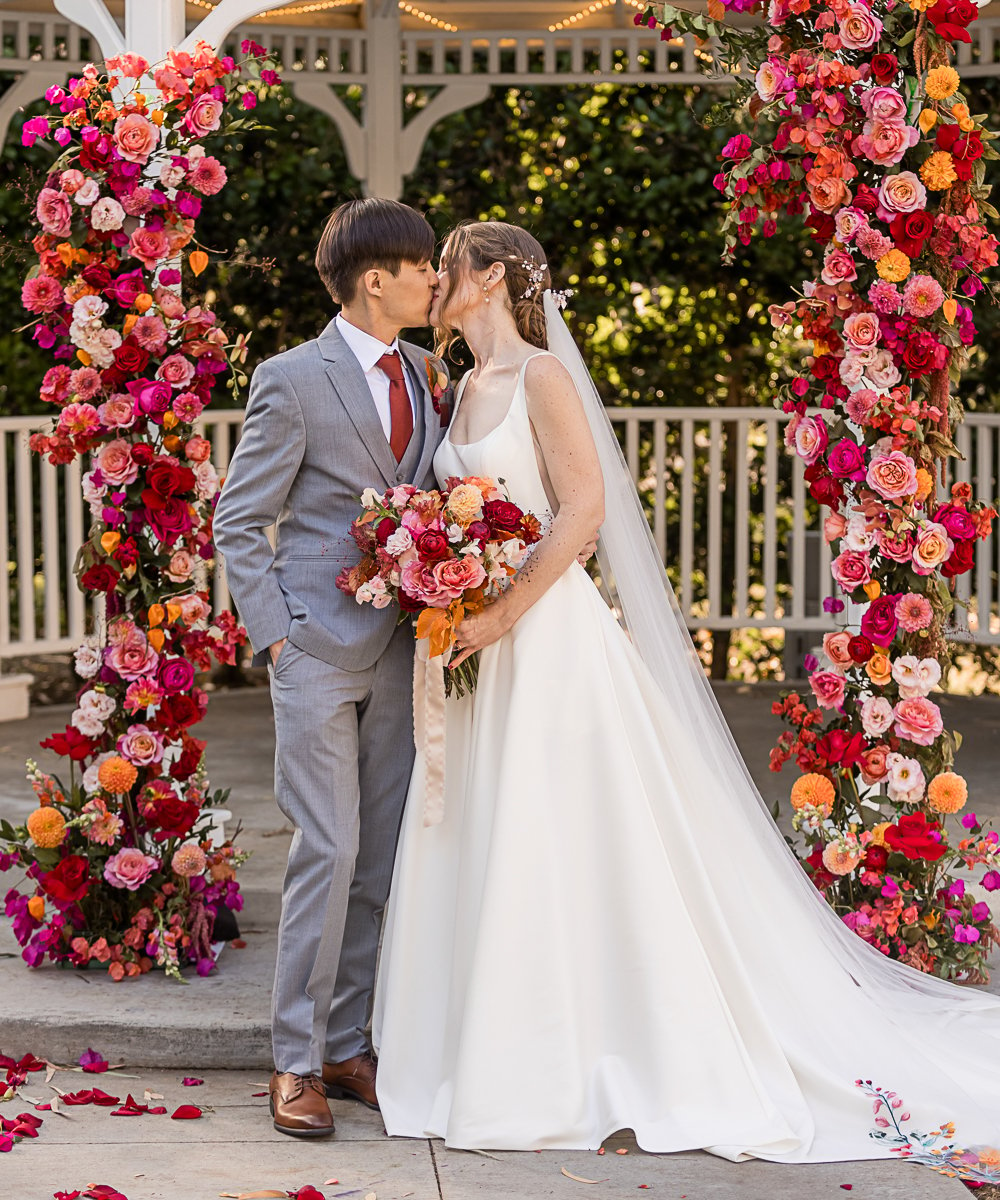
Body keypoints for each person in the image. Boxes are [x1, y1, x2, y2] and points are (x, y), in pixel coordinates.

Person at [371, 219, 1000, 1161]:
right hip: (474, 647)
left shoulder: (542, 378)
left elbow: (582, 511)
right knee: (484, 826)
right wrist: (443, 581)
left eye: (448, 264)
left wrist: (500, 612)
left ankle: (588, 1052)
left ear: (493, 276)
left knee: (561, 831)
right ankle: (482, 1042)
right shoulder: (456, 388)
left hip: (543, 642)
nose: (434, 282)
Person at [213, 198, 448, 1138]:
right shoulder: (290, 378)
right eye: (424, 264)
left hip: (401, 651)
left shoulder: (431, 374)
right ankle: (295, 1061)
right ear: (375, 279)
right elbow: (241, 519)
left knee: (379, 857)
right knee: (328, 849)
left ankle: (350, 1045)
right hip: (312, 648)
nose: (438, 276)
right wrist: (278, 636)